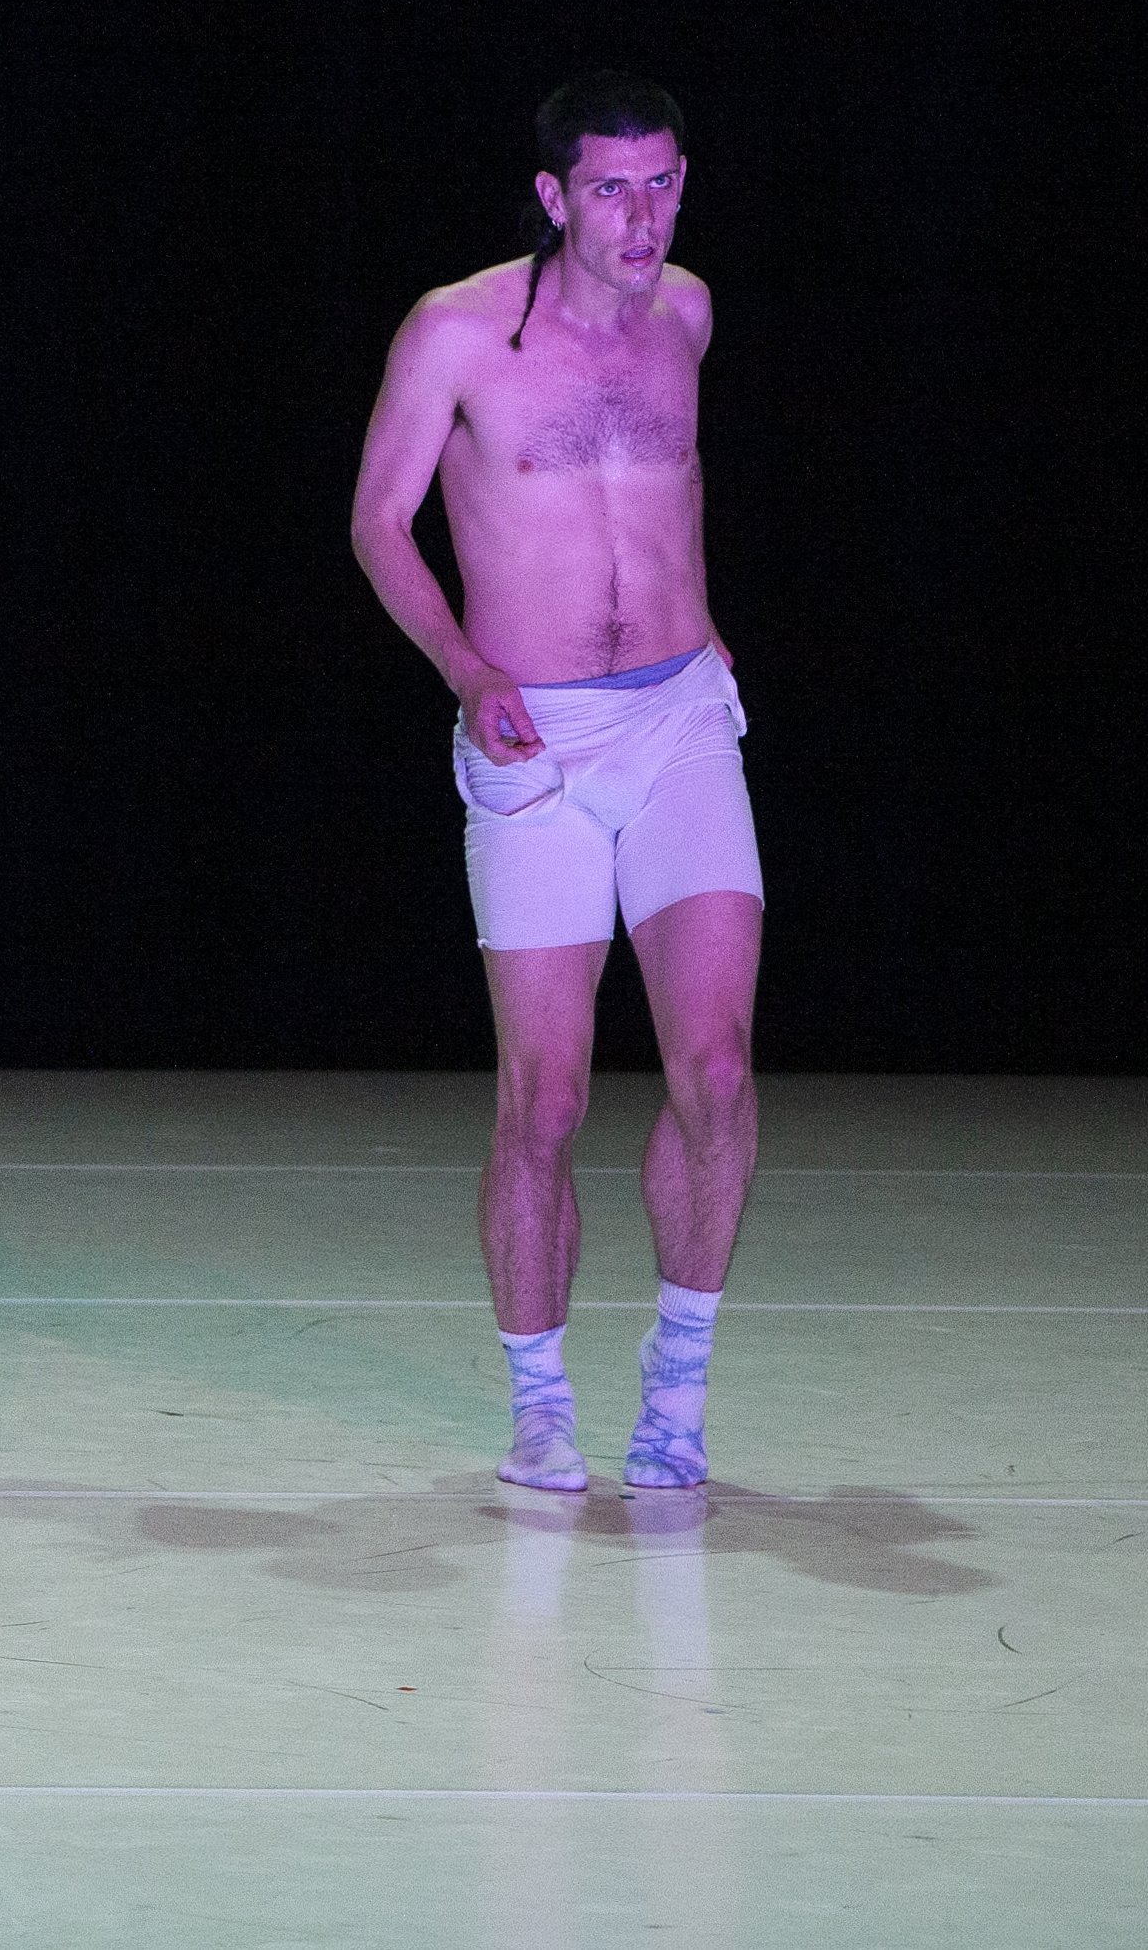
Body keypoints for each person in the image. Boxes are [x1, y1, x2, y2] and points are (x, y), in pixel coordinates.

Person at [351, 73, 756, 1494]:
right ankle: (536, 1399)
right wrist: (467, 669)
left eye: (660, 186)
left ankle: (678, 1386)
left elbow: (672, 500)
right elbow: (377, 522)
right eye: (609, 189)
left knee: (712, 1064)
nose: (639, 217)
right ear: (550, 197)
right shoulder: (455, 331)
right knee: (545, 1096)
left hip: (679, 719)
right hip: (530, 739)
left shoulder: (687, 316)